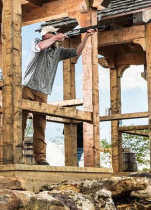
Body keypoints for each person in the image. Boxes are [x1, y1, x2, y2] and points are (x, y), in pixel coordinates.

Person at [22, 24, 97, 165]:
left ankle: (40, 158)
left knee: (40, 126)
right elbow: (40, 47)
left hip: (43, 92)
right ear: (46, 35)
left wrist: (86, 36)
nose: (56, 35)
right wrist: (57, 36)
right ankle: (15, 155)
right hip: (27, 87)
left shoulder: (58, 51)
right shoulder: (37, 42)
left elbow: (77, 52)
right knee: (20, 123)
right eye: (53, 33)